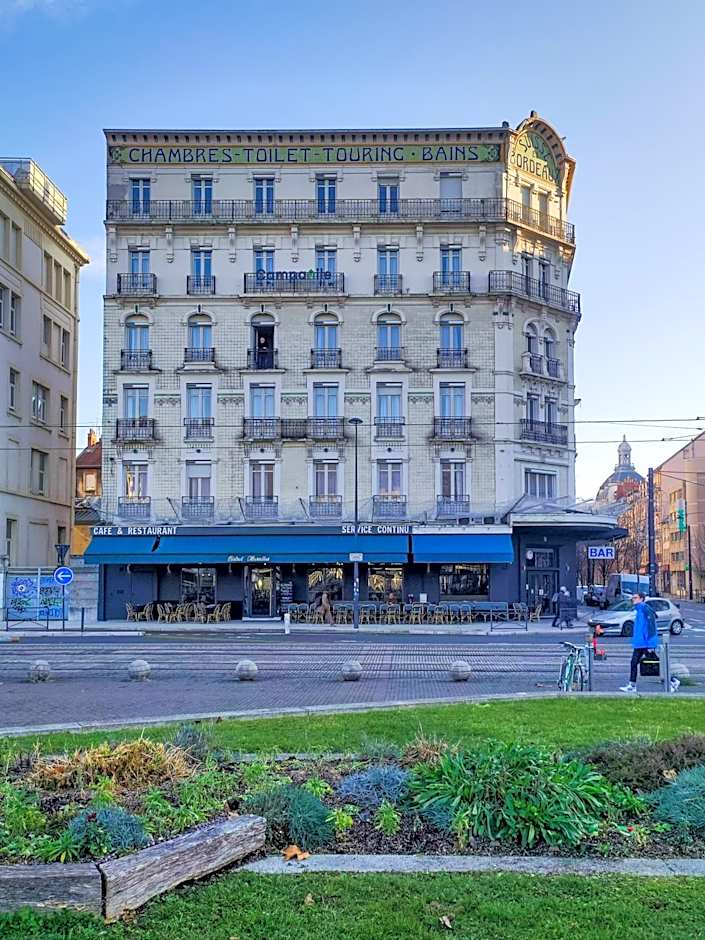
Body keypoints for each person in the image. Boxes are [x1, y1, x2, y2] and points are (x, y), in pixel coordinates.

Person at [620, 592, 658, 693]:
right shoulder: (639, 610)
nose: (633, 599)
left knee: (655, 664)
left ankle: (672, 681)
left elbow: (651, 628)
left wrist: (650, 644)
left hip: (645, 643)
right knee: (634, 663)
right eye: (633, 598)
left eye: (635, 598)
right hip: (640, 643)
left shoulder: (645, 609)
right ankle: (632, 685)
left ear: (641, 599)